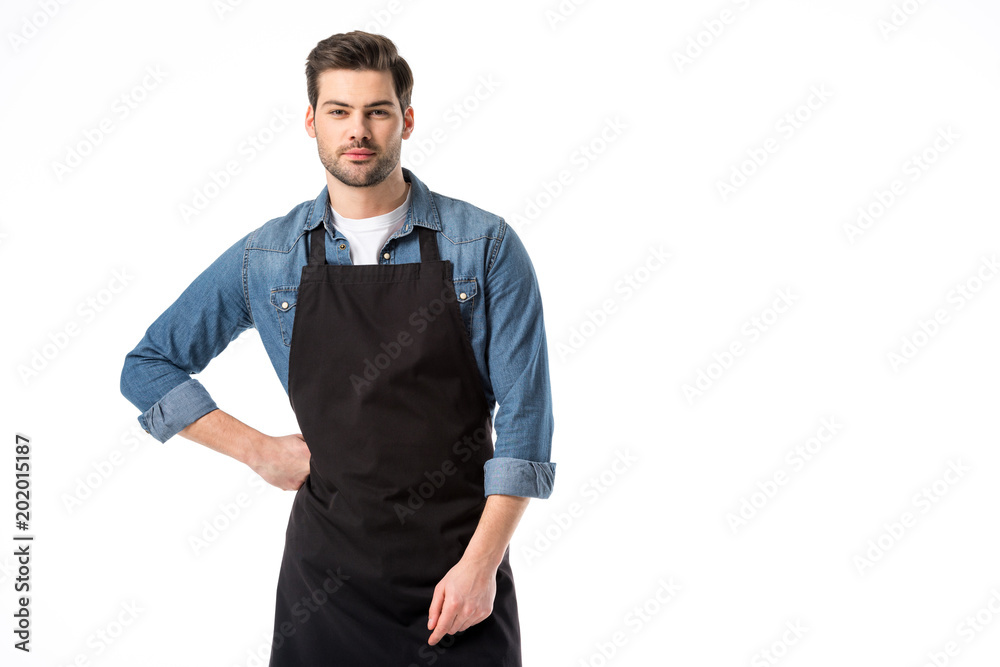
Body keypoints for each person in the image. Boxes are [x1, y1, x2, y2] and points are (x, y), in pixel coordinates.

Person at [119, 30, 556, 665]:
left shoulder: (484, 247)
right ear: (311, 121)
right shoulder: (269, 258)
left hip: (459, 580)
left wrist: (481, 568)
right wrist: (257, 450)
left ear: (405, 119)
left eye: (377, 111)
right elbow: (149, 366)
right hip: (325, 588)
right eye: (339, 112)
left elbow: (525, 423)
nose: (359, 130)